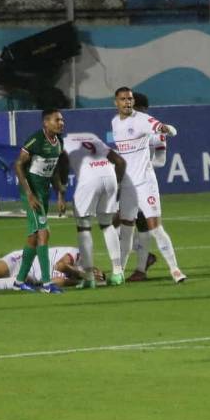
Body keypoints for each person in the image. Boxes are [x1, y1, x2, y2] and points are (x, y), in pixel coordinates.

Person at [111, 87, 185, 284]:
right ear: (116, 102)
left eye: (131, 100)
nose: (128, 103)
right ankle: (122, 271)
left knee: (152, 227)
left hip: (145, 183)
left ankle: (174, 270)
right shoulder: (115, 123)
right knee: (120, 225)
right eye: (124, 99)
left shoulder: (145, 122)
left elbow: (160, 156)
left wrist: (166, 129)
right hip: (127, 185)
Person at [13, 109, 69, 294]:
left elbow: (52, 170)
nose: (61, 123)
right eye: (57, 120)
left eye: (62, 120)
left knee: (33, 238)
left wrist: (60, 195)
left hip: (43, 191)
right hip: (32, 192)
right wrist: (29, 194)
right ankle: (47, 284)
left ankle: (19, 281)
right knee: (44, 233)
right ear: (46, 122)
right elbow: (18, 164)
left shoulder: (58, 142)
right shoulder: (36, 140)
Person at [62, 130, 126, 286]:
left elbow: (62, 167)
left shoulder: (63, 143)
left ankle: (89, 277)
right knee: (107, 224)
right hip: (110, 177)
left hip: (89, 180)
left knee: (83, 228)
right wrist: (117, 186)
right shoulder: (92, 137)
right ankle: (118, 273)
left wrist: (61, 193)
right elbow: (121, 162)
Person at [124, 92, 162, 280]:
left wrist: (140, 167)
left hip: (142, 183)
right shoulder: (123, 126)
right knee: (114, 223)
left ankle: (141, 268)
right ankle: (144, 258)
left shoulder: (155, 132)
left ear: (144, 110)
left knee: (139, 224)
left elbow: (161, 161)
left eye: (135, 107)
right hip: (126, 183)